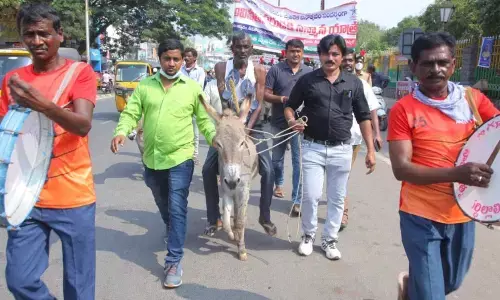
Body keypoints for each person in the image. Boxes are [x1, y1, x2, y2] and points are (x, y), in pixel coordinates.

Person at [388, 32, 499, 300]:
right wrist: (457, 174)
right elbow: (401, 169)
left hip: (463, 213)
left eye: (442, 63)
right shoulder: (403, 110)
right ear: (413, 67)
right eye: (427, 63)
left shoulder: (472, 100)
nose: (435, 70)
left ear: (452, 64)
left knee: (451, 282)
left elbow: (496, 136)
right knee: (431, 295)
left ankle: (411, 286)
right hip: (420, 215)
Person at [0, 3, 97, 299]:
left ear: (60, 35)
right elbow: (6, 137)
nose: (37, 41)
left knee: (79, 289)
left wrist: (42, 105)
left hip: (73, 196)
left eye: (44, 33)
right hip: (25, 196)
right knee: (19, 280)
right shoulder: (11, 82)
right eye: (29, 34)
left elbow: (82, 125)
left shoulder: (80, 73)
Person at [111, 39, 216, 288]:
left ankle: (174, 259)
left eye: (176, 59)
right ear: (159, 59)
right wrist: (121, 132)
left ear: (183, 60)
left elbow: (204, 120)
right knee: (162, 200)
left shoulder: (191, 88)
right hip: (152, 158)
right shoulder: (145, 86)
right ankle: (172, 226)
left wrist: (215, 140)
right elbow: (131, 112)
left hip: (180, 157)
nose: (171, 63)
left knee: (178, 205)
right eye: (167, 58)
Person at [285, 34, 376, 260]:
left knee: (336, 198)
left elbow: (364, 116)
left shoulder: (353, 83)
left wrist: (371, 150)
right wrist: (291, 120)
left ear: (342, 56)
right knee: (311, 195)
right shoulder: (308, 81)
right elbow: (290, 106)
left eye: (335, 54)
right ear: (320, 55)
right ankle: (308, 236)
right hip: (312, 147)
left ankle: (329, 240)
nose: (330, 58)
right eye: (326, 53)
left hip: (342, 149)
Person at [202, 31, 277, 237]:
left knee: (268, 170)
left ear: (251, 49)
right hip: (229, 129)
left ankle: (265, 216)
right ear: (232, 48)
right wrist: (232, 127)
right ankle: (213, 216)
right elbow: (224, 100)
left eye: (246, 47)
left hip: (253, 126)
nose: (242, 51)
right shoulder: (220, 68)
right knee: (208, 169)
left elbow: (259, 104)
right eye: (238, 47)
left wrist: (246, 129)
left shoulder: (260, 70)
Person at [264, 39, 313, 216]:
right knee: (276, 161)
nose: (296, 54)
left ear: (302, 53)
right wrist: (282, 99)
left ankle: (296, 200)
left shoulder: (309, 71)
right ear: (286, 52)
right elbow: (266, 94)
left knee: (298, 163)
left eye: (299, 51)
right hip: (278, 123)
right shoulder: (276, 70)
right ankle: (279, 181)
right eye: (292, 51)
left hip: (299, 125)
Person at [340, 48, 383, 230]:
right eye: (346, 60)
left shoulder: (361, 84)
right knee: (337, 176)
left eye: (351, 60)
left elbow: (372, 110)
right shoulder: (329, 81)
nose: (348, 63)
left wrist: (377, 135)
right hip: (331, 137)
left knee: (343, 175)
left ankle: (343, 213)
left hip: (354, 138)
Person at [181, 47, 206, 165]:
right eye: (185, 56)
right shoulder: (180, 70)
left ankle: (195, 155)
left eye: (189, 56)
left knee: (195, 132)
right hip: (180, 104)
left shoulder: (200, 71)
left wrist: (184, 87)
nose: (186, 58)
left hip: (195, 105)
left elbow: (198, 87)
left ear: (195, 58)